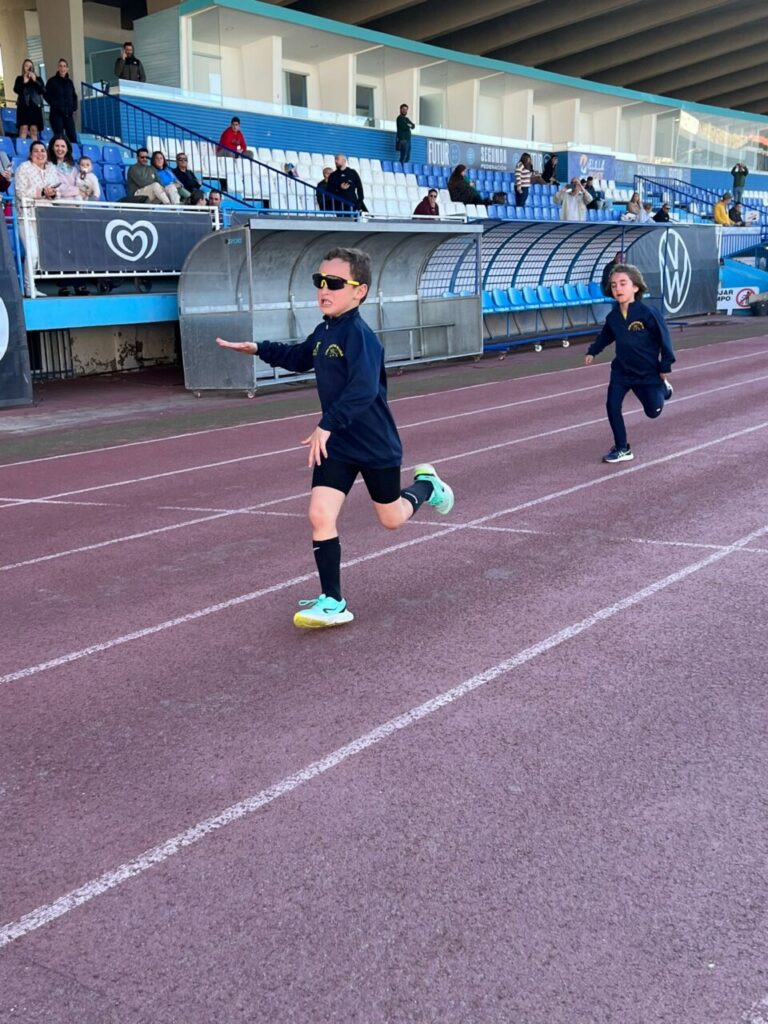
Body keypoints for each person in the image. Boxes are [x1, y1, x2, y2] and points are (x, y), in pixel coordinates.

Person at [215, 246, 454, 629]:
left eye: (334, 283)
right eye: (319, 281)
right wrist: (258, 349)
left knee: (391, 519)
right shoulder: (326, 330)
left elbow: (362, 390)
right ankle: (333, 601)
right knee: (319, 514)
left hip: (374, 444)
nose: (324, 289)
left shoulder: (361, 337)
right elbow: (298, 356)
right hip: (337, 444)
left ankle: (426, 486)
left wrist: (327, 423)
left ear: (359, 291)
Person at [584, 263, 675, 464]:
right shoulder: (613, 317)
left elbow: (665, 340)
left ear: (635, 287)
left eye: (623, 283)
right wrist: (593, 351)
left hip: (647, 374)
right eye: (614, 285)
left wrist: (665, 365)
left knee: (652, 412)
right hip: (621, 372)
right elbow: (605, 337)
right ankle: (622, 448)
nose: (618, 289)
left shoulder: (648, 313)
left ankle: (663, 390)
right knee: (612, 405)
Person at [14, 140, 60, 297]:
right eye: (36, 151)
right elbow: (20, 192)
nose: (40, 154)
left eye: (43, 151)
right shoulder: (24, 168)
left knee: (39, 255)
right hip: (27, 217)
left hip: (46, 217)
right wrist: (41, 192)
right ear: (30, 154)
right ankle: (29, 288)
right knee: (32, 253)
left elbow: (57, 192)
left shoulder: (52, 169)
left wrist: (52, 193)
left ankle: (32, 285)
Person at [45, 58, 79, 145]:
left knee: (72, 137)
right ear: (58, 68)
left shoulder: (69, 82)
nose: (62, 68)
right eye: (60, 66)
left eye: (64, 66)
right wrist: (55, 104)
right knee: (59, 137)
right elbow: (46, 95)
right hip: (56, 114)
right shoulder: (52, 81)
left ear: (67, 68)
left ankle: (72, 156)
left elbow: (74, 96)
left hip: (68, 114)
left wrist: (74, 108)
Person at [14, 59, 45, 140]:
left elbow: (43, 90)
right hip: (23, 107)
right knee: (23, 129)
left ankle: (35, 149)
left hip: (35, 107)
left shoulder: (38, 78)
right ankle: (22, 149)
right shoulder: (19, 78)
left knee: (34, 130)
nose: (28, 68)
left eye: (30, 66)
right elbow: (16, 90)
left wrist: (35, 81)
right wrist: (24, 82)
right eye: (26, 66)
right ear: (23, 67)